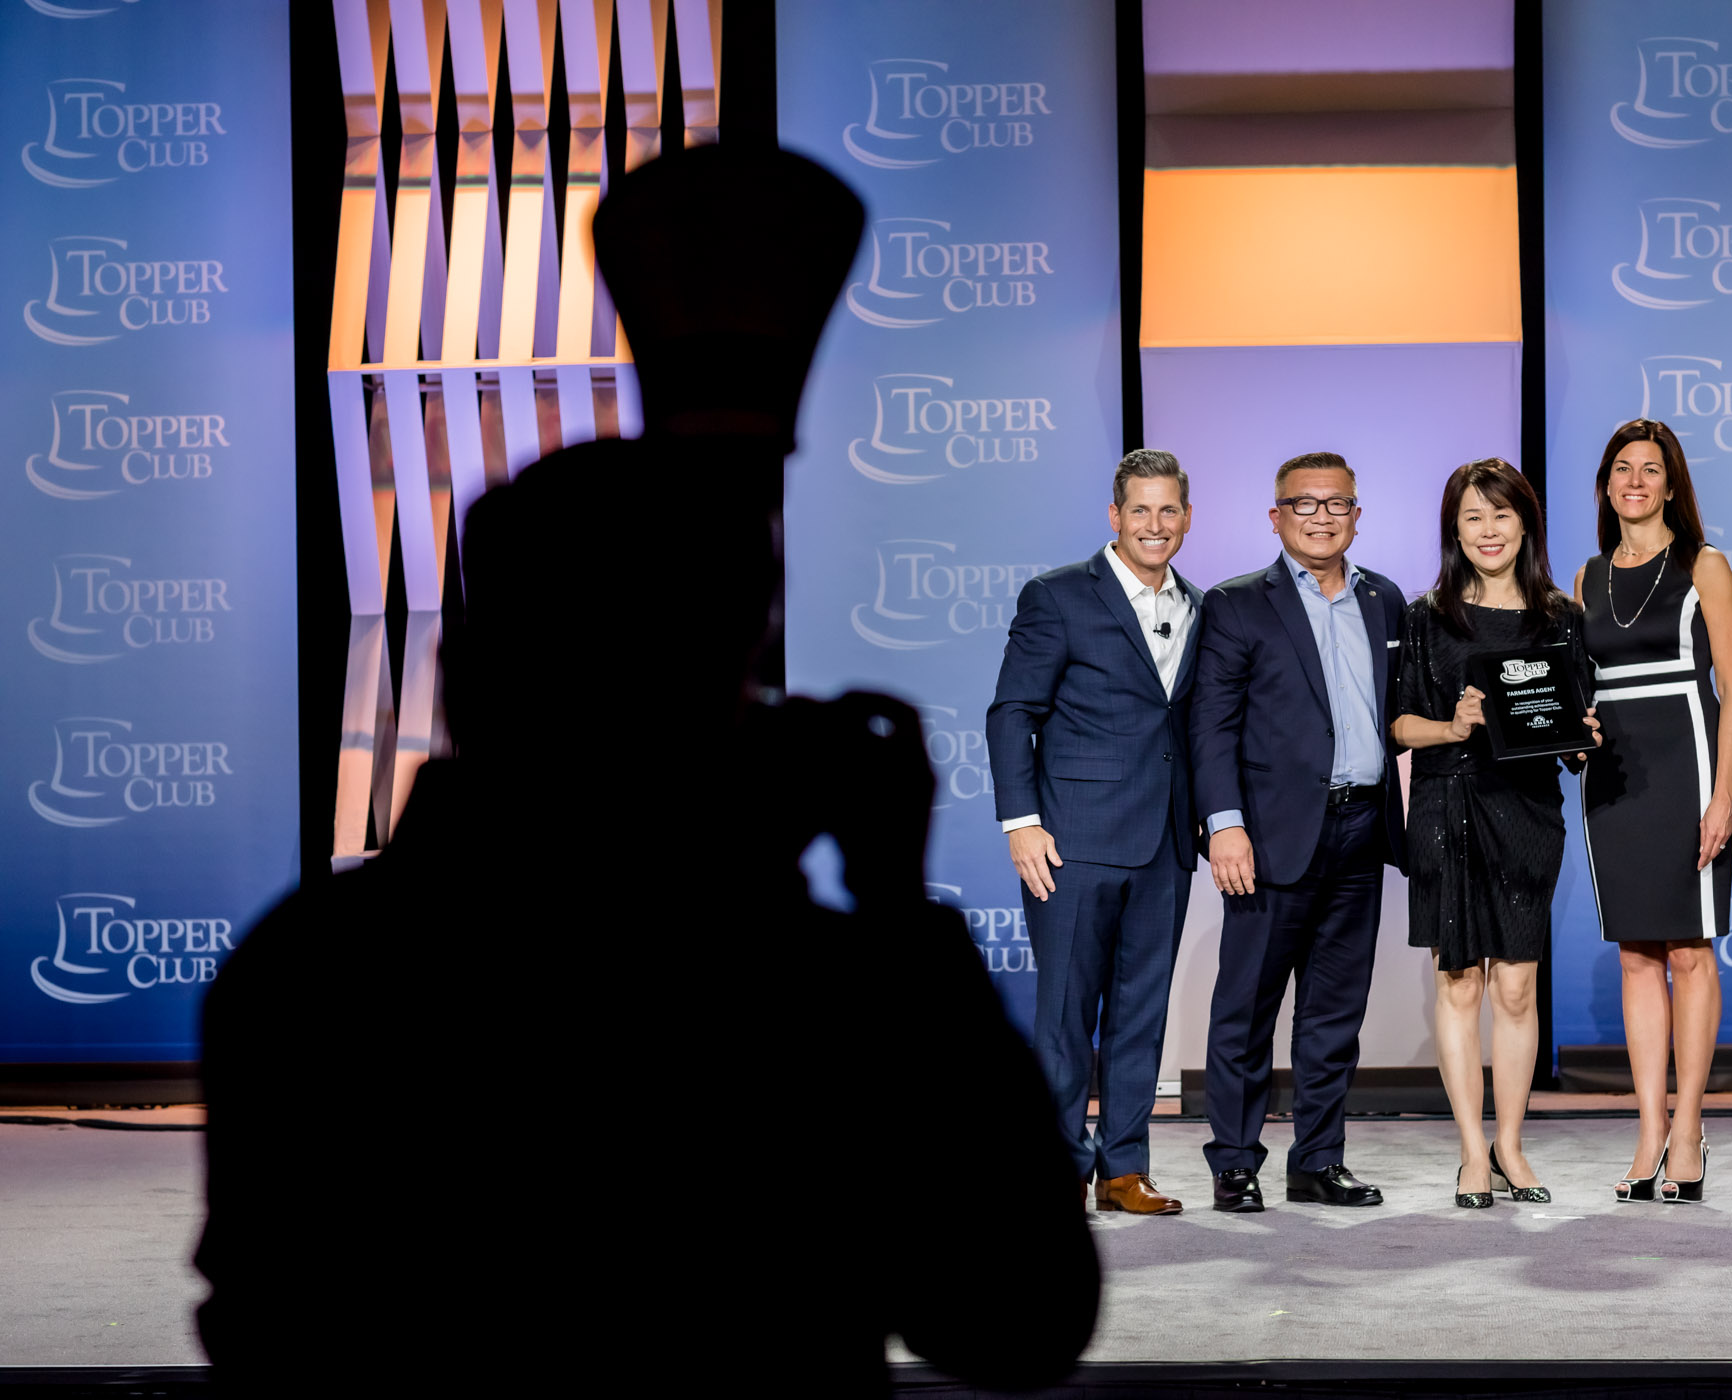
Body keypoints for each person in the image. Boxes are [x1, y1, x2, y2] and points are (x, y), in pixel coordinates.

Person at [195, 145, 1098, 1398]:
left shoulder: (312, 966)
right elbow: (1014, 1321)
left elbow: (273, 1337)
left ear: (464, 675)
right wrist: (892, 911)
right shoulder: (804, 991)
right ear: (727, 697)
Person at [987, 450, 1205, 1215]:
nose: (1155, 525)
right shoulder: (1058, 596)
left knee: (1142, 1014)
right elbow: (1013, 711)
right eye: (1140, 510)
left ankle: (1123, 1170)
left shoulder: (1200, 604)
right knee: (1065, 1018)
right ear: (1114, 516)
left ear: (1186, 517)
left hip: (1166, 844)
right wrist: (1022, 822)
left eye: (1169, 510)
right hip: (1071, 840)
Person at [1190, 451, 1406, 1213]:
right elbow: (1210, 729)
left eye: (1336, 503)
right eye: (1304, 503)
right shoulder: (1237, 604)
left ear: (1357, 513)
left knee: (1334, 1013)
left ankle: (1317, 1160)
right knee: (1245, 1009)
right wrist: (1225, 826)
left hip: (1361, 829)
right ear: (1275, 515)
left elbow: (1401, 716)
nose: (1321, 516)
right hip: (1268, 838)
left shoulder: (1385, 600)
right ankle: (1236, 1162)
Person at [1391, 459, 1598, 1209]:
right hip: (1448, 807)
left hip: (1530, 812)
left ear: (1525, 524)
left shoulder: (1561, 618)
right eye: (1473, 517)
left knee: (1516, 986)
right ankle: (1472, 1153)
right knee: (1460, 981)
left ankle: (1512, 1144)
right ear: (1455, 527)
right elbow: (1400, 725)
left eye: (1501, 515)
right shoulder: (1426, 616)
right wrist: (1453, 725)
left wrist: (1584, 738)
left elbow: (1574, 730)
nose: (1488, 531)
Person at [1572, 419, 1732, 1205]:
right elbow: (1580, 686)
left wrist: (1724, 797)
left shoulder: (1704, 565)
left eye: (1650, 469)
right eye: (1621, 470)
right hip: (1613, 777)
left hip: (1688, 764)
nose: (1634, 481)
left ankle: (1688, 1131)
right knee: (1636, 956)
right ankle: (1647, 1131)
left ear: (1672, 484)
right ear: (1606, 485)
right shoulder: (1586, 575)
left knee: (1689, 955)